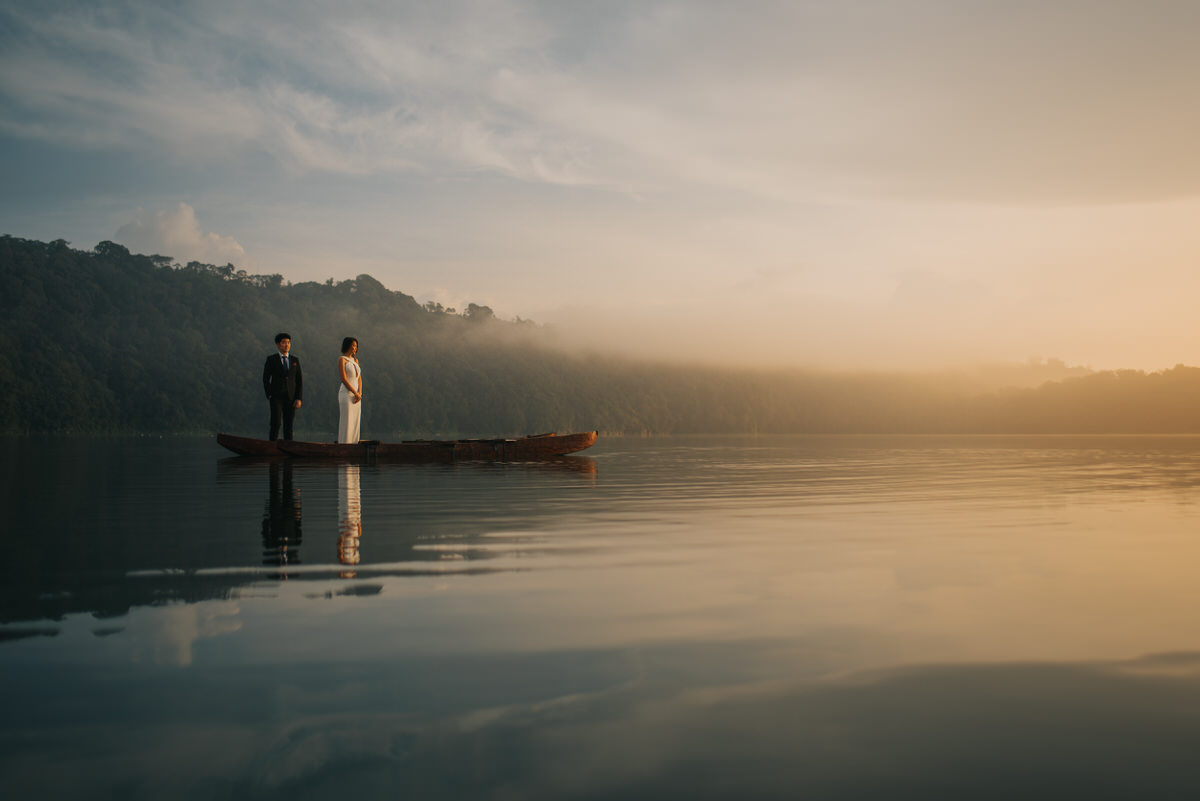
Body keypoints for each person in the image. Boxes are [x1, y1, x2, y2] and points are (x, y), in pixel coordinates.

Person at [263, 332, 303, 440]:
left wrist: (299, 398)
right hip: (276, 396)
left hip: (291, 397)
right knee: (275, 423)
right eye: (284, 342)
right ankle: (271, 446)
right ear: (278, 344)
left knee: (289, 425)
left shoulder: (295, 360)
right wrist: (269, 394)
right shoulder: (272, 359)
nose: (287, 345)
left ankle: (288, 447)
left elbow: (299, 381)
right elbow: (265, 378)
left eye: (289, 342)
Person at [337, 337, 363, 444]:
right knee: (347, 420)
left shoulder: (355, 360)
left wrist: (359, 393)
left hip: (357, 396)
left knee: (355, 420)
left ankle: (354, 443)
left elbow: (359, 378)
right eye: (353, 345)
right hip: (346, 394)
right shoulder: (342, 359)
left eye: (356, 346)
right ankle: (344, 443)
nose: (355, 348)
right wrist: (355, 392)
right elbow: (343, 379)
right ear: (347, 345)